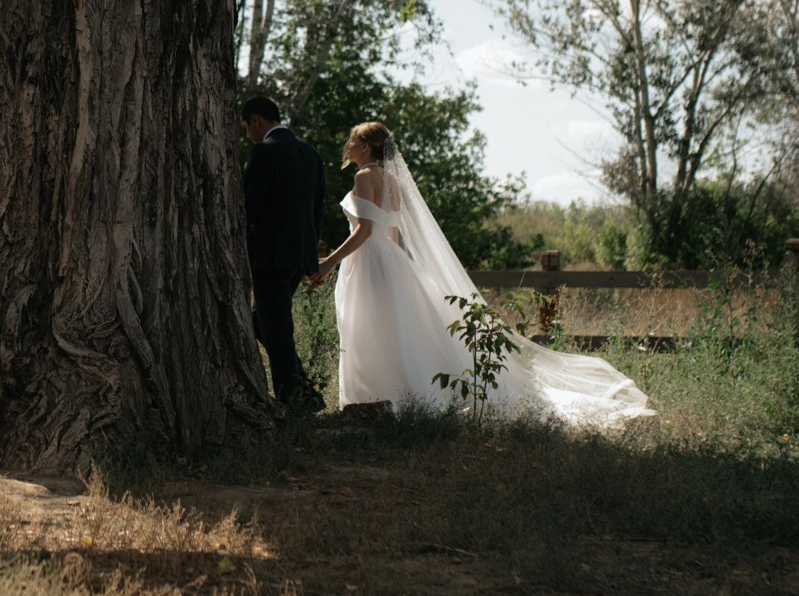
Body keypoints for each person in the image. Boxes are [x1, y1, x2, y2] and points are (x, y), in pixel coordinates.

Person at [312, 121, 653, 426]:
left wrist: (329, 262)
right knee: (392, 329)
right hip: (390, 261)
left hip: (369, 262)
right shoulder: (392, 181)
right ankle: (391, 397)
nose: (349, 145)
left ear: (367, 146)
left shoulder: (364, 177)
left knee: (371, 327)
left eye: (354, 139)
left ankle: (377, 398)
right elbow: (393, 234)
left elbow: (365, 231)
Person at [241, 95, 325, 413]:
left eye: (247, 127)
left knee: (276, 327)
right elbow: (316, 211)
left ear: (256, 121)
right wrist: (310, 257)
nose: (248, 135)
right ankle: (306, 392)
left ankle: (296, 401)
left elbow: (249, 206)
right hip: (298, 256)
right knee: (262, 323)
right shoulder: (311, 154)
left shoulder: (264, 151)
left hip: (269, 256)